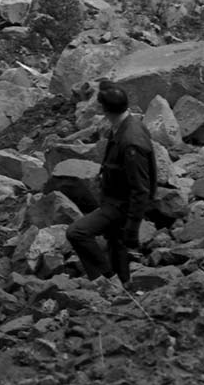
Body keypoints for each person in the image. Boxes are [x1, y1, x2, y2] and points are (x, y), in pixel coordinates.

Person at [66, 82, 156, 287]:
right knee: (116, 245)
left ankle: (105, 278)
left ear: (105, 110)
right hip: (113, 198)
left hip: (120, 206)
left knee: (77, 232)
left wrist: (132, 229)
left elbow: (141, 189)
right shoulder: (126, 125)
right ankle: (123, 285)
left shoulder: (131, 140)